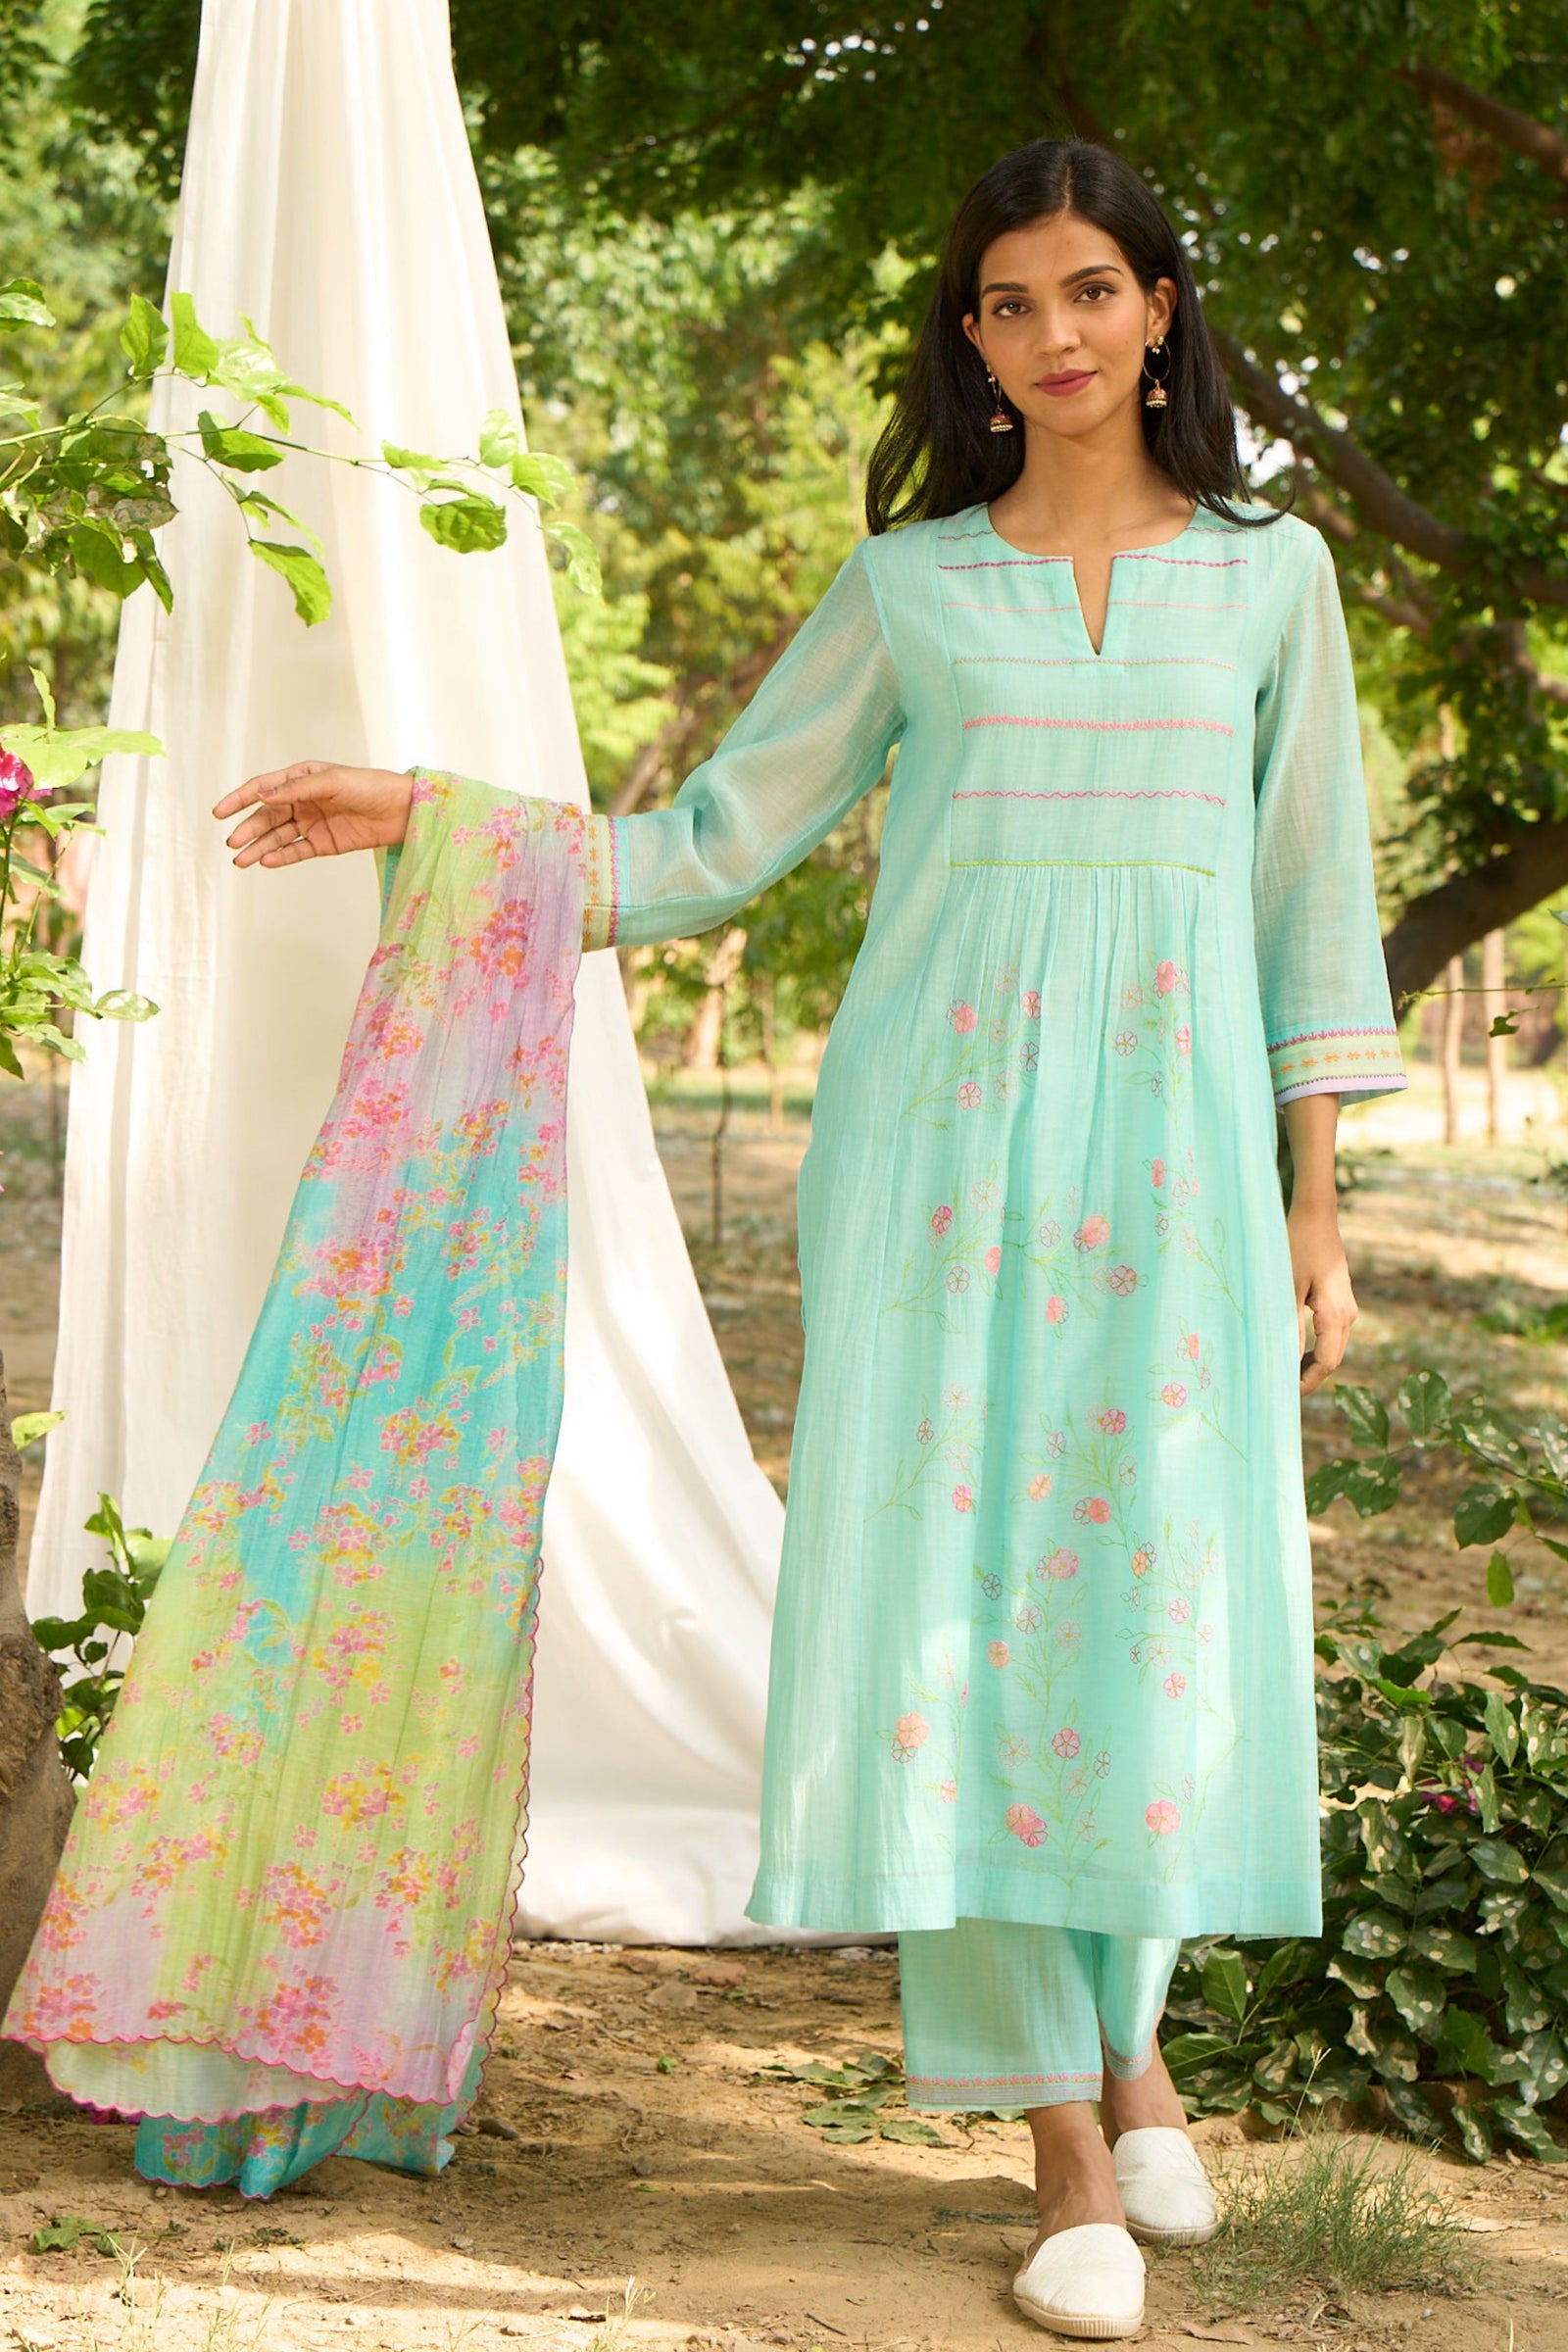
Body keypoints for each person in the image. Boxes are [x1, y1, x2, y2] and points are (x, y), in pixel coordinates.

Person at [28, 137, 1404, 2339]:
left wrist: (1315, 1206)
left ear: (1158, 309)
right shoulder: (912, 587)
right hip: (937, 1161)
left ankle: (1130, 2042)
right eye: (1007, 303)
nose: (1051, 334)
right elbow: (710, 839)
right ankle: (1063, 2141)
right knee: (957, 1613)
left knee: (1139, 1605)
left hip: (1173, 1167)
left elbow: (1307, 903)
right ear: (970, 344)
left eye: (1088, 291)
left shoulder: (1274, 581)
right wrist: (433, 814)